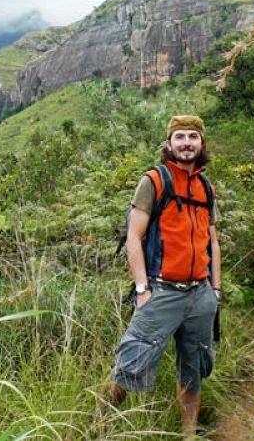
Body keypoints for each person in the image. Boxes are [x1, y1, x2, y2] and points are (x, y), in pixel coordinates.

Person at [100, 115, 221, 437]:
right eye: (179, 136)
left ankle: (189, 434)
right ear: (169, 144)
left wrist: (215, 290)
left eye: (192, 137)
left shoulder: (205, 186)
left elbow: (212, 239)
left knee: (193, 368)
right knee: (131, 361)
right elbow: (133, 237)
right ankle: (100, 424)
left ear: (201, 143)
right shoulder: (154, 181)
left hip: (200, 294)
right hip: (161, 290)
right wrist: (142, 288)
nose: (186, 143)